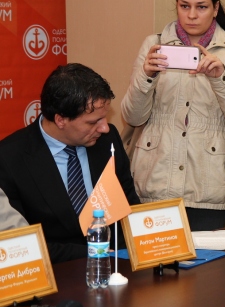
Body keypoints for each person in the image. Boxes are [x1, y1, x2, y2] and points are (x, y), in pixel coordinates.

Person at [121, 0, 225, 231]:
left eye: (201, 7)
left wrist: (221, 77)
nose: (192, 15)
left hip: (210, 186)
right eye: (184, 6)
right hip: (155, 181)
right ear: (176, 5)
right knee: (157, 255)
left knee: (205, 258)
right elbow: (133, 116)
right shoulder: (154, 45)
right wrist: (147, 75)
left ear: (216, 8)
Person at [0, 63, 140, 263]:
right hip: (57, 270)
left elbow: (130, 206)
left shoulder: (107, 141)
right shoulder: (10, 158)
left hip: (118, 267)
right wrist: (97, 253)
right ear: (61, 120)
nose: (105, 128)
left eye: (104, 118)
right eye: (93, 122)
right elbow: (21, 245)